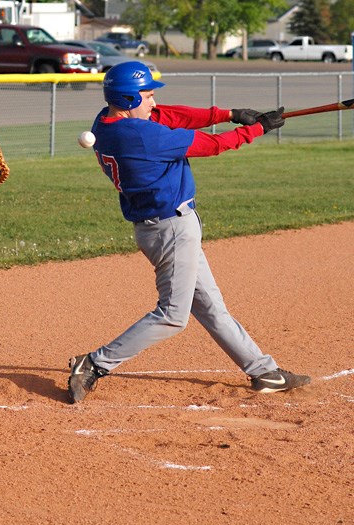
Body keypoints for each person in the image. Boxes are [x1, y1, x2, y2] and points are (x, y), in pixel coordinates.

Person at [67, 61, 311, 403]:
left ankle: (263, 371)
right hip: (170, 229)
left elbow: (171, 115)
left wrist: (228, 113)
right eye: (148, 95)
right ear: (128, 97)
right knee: (172, 316)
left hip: (164, 226)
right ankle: (93, 364)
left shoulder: (108, 120)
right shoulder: (141, 136)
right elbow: (211, 146)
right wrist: (257, 130)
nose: (153, 102)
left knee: (211, 306)